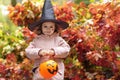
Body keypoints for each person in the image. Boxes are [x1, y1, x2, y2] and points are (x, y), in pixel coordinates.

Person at [25, 0, 70, 80]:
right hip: (40, 73)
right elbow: (28, 51)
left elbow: (66, 50)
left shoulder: (58, 40)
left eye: (51, 27)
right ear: (41, 28)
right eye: (45, 26)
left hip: (55, 73)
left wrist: (54, 51)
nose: (48, 29)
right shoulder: (37, 40)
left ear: (55, 28)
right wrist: (39, 52)